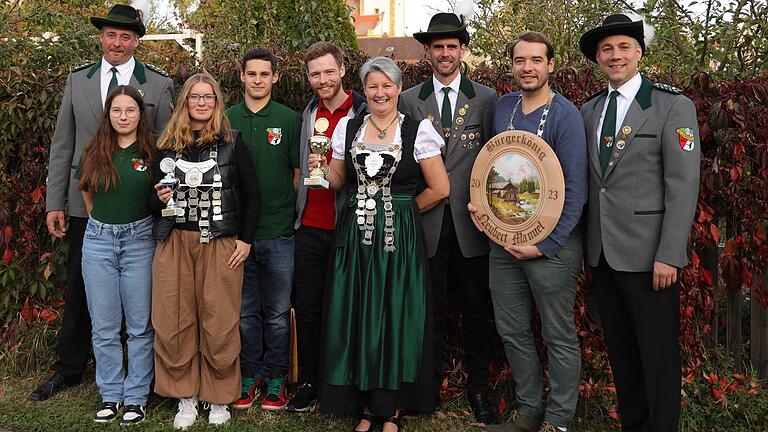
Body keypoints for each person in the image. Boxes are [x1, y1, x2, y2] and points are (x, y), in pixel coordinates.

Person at [33, 3, 174, 402]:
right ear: (102, 37)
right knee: (81, 289)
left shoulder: (158, 84)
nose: (117, 42)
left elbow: (167, 147)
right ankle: (71, 368)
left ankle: (146, 377)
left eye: (126, 36)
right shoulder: (79, 80)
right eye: (111, 35)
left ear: (137, 41)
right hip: (86, 203)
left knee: (143, 297)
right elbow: (62, 145)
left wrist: (162, 201)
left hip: (136, 209)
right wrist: (54, 201)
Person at [313, 56, 449, 432]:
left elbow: (440, 188)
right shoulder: (347, 127)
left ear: (398, 88)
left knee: (394, 312)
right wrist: (320, 169)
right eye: (372, 86)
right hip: (355, 237)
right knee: (357, 310)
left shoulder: (417, 131)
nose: (380, 92)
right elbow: (339, 181)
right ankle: (366, 406)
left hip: (397, 241)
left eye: (387, 85)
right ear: (364, 90)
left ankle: (392, 408)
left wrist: (401, 212)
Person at [578, 14, 700, 431]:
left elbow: (683, 184)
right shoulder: (589, 109)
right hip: (603, 255)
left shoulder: (672, 105)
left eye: (624, 47)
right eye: (607, 49)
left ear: (639, 53)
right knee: (623, 355)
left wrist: (670, 253)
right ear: (598, 57)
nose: (616, 56)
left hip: (651, 258)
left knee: (658, 356)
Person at [478, 32, 588, 432]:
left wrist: (545, 245)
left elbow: (576, 190)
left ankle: (557, 420)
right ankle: (528, 412)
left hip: (552, 247)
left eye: (536, 60)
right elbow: (492, 167)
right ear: (512, 65)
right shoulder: (504, 106)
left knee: (558, 334)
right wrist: (482, 209)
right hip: (503, 242)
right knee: (512, 330)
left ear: (550, 65)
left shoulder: (566, 116)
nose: (527, 67)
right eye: (520, 60)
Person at [399, 12, 497, 424]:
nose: (444, 53)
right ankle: (428, 389)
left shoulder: (487, 98)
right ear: (427, 51)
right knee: (430, 311)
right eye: (437, 46)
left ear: (462, 50)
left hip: (472, 224)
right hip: (428, 225)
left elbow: (497, 157)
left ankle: (479, 390)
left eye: (451, 46)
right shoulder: (408, 99)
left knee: (477, 311)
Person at [151, 72, 260, 429]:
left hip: (220, 243)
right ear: (184, 101)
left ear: (217, 103)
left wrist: (245, 240)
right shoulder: (167, 146)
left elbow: (252, 196)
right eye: (195, 96)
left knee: (219, 321)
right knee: (176, 320)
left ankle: (218, 398)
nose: (201, 103)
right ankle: (186, 396)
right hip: (176, 241)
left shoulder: (232, 141)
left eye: (208, 97)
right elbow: (152, 201)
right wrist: (159, 198)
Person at [287, 41, 367, 413]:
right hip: (311, 226)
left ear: (342, 70)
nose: (323, 79)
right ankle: (308, 382)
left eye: (328, 71)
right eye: (315, 74)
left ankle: (347, 382)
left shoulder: (364, 110)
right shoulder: (308, 113)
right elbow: (301, 169)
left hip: (349, 223)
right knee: (308, 308)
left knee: (349, 307)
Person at [77, 85, 157, 425]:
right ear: (108, 115)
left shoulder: (153, 152)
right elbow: (89, 197)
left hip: (140, 241)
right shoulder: (95, 150)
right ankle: (111, 394)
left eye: (130, 110)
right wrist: (104, 227)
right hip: (98, 241)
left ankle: (136, 397)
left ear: (140, 114)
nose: (123, 116)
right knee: (105, 326)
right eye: (117, 111)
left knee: (140, 326)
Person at [226, 48, 301, 412]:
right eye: (251, 73)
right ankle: (248, 376)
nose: (257, 80)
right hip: (238, 237)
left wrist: (292, 216)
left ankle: (276, 380)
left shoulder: (289, 119)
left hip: (279, 232)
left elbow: (298, 173)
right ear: (241, 76)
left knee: (276, 312)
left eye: (264, 74)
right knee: (244, 313)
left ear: (275, 78)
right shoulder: (226, 119)